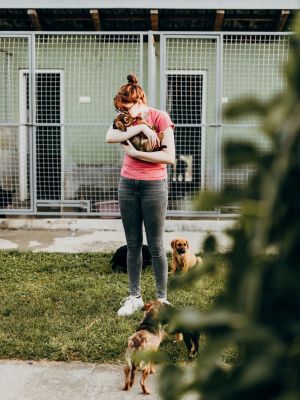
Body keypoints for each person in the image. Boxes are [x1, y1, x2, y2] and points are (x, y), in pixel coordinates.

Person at [106, 74, 175, 316]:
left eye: (130, 108)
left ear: (140, 100)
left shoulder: (160, 117)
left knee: (156, 245)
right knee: (133, 245)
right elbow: (110, 137)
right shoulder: (126, 120)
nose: (127, 113)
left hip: (154, 186)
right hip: (128, 185)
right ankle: (134, 297)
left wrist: (136, 153)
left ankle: (162, 300)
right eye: (122, 109)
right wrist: (140, 127)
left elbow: (169, 157)